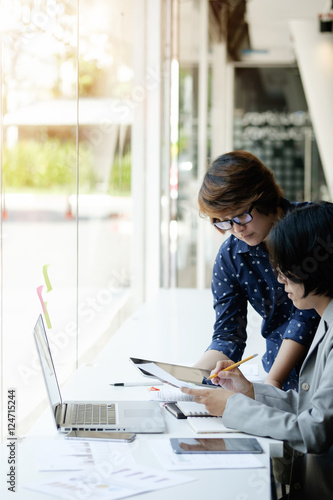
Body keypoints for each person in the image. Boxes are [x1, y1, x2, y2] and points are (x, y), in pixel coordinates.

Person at [182, 202, 333, 497]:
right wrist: (250, 393)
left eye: (285, 269)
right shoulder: (326, 321)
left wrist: (233, 407)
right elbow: (310, 409)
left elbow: (313, 430)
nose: (279, 279)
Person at [194, 151, 319, 390]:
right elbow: (228, 333)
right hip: (280, 381)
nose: (236, 229)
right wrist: (192, 376)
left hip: (322, 373)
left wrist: (272, 384)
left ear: (265, 197)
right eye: (224, 221)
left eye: (241, 215)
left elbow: (307, 315)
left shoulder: (314, 226)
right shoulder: (231, 256)